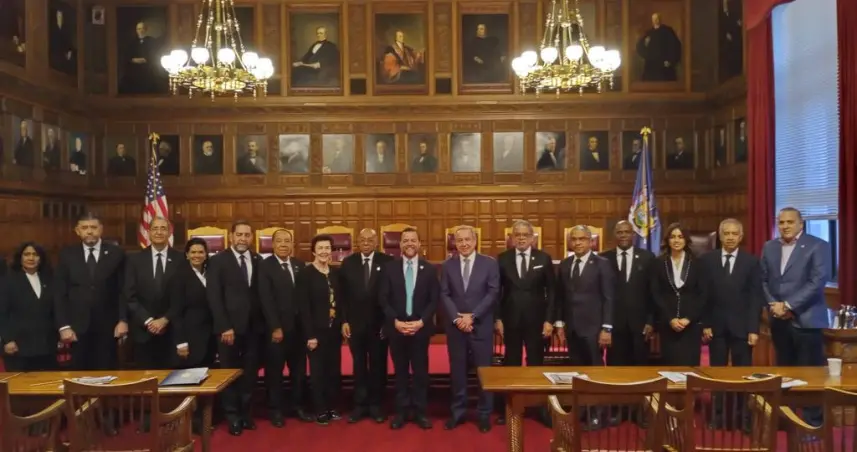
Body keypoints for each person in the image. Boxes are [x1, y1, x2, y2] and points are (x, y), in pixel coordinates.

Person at [761, 207, 830, 425]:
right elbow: (763, 280)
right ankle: (786, 419)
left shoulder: (818, 245)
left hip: (807, 319)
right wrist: (774, 305)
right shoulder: (769, 246)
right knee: (784, 371)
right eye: (781, 222)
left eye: (790, 222)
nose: (785, 226)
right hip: (778, 320)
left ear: (801, 223)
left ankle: (812, 423)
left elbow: (817, 282)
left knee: (810, 373)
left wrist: (789, 306)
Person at [701, 218, 763, 430]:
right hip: (715, 327)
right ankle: (717, 416)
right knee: (717, 374)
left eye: (734, 234)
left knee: (743, 375)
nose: (730, 237)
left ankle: (743, 417)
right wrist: (705, 323)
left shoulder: (751, 262)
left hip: (742, 329)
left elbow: (755, 297)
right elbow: (704, 295)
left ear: (741, 237)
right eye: (726, 233)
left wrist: (753, 328)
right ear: (720, 236)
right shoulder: (707, 260)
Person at [494, 220, 555, 426]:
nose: (521, 238)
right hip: (510, 319)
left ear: (532, 238)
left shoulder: (543, 258)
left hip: (536, 320)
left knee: (536, 362)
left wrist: (549, 320)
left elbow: (552, 292)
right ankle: (510, 407)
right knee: (511, 362)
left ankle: (540, 408)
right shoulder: (503, 259)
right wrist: (498, 318)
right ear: (511, 238)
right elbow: (497, 292)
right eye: (517, 235)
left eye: (525, 235)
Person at [440, 225, 500, 433]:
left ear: (475, 241)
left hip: (480, 326)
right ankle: (458, 412)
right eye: (460, 240)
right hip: (456, 327)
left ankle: (484, 414)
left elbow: (493, 293)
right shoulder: (448, 265)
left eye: (468, 240)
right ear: (455, 243)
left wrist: (473, 316)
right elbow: (444, 294)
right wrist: (457, 318)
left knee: (484, 372)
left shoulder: (489, 264)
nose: (464, 244)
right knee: (458, 372)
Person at [207, 220, 263, 436]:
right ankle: (232, 416)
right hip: (228, 330)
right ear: (231, 236)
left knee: (250, 374)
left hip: (253, 328)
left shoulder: (258, 260)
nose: (243, 239)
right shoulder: (218, 261)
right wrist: (224, 326)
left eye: (247, 235)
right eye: (239, 234)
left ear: (252, 237)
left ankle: (246, 414)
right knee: (229, 373)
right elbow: (214, 296)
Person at [378, 227, 437, 430]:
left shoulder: (429, 269)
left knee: (420, 372)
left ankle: (420, 412)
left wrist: (421, 322)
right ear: (400, 244)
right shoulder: (389, 268)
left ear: (419, 244)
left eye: (413, 240)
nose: (409, 243)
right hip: (397, 328)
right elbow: (383, 298)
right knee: (401, 372)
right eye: (405, 240)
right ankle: (401, 412)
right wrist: (395, 321)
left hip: (420, 329)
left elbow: (433, 300)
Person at [54, 212, 127, 371]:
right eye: (85, 227)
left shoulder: (116, 253)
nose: (89, 231)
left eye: (93, 227)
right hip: (77, 326)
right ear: (77, 230)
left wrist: (123, 320)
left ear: (101, 229)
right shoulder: (67, 254)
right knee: (80, 373)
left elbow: (123, 290)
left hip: (108, 326)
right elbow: (60, 293)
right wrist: (64, 326)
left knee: (108, 371)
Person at [258, 229, 313, 427]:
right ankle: (275, 410)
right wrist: (275, 327)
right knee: (275, 372)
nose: (283, 244)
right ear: (273, 244)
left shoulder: (299, 265)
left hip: (298, 330)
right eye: (279, 241)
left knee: (298, 371)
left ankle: (297, 406)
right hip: (277, 330)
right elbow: (265, 299)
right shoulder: (265, 266)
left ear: (292, 244)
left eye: (287, 241)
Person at [340, 228, 392, 423]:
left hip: (379, 325)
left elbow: (392, 294)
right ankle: (360, 405)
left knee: (378, 365)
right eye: (362, 239)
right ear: (357, 242)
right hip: (355, 325)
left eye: (370, 239)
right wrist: (344, 320)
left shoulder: (387, 262)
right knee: (359, 365)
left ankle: (376, 405)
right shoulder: (348, 263)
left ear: (376, 242)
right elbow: (342, 295)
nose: (366, 242)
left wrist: (388, 322)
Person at [123, 217, 184, 369]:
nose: (159, 232)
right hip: (143, 332)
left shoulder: (181, 259)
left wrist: (165, 319)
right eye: (155, 228)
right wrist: (149, 321)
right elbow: (130, 296)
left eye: (163, 228)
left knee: (172, 378)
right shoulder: (134, 260)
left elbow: (184, 295)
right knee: (146, 378)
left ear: (169, 232)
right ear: (148, 232)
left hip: (172, 331)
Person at [168, 238, 215, 434]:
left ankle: (205, 419)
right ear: (186, 254)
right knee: (191, 380)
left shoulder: (211, 272)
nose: (197, 255)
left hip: (210, 335)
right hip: (190, 335)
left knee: (207, 378)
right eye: (193, 252)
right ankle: (190, 422)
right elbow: (176, 312)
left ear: (206, 254)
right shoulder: (179, 276)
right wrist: (181, 342)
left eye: (201, 252)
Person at [297, 234, 343, 425]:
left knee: (333, 371)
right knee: (318, 372)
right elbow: (303, 308)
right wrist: (310, 335)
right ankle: (320, 409)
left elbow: (340, 302)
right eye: (321, 248)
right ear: (314, 251)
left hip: (334, 331)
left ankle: (332, 407)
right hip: (315, 333)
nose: (324, 251)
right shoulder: (305, 274)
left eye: (327, 248)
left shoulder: (335, 273)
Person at [650, 222, 706, 365]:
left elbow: (702, 294)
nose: (676, 240)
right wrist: (670, 319)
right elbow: (655, 293)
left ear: (686, 240)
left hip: (691, 325)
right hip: (668, 323)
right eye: (673, 237)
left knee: (690, 365)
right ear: (667, 240)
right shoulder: (658, 263)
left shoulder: (697, 263)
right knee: (670, 365)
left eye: (680, 237)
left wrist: (688, 318)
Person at [602, 220, 655, 367]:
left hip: (640, 325)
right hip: (614, 325)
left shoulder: (647, 257)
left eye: (627, 232)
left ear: (633, 235)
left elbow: (652, 292)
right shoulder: (604, 259)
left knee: (640, 367)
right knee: (615, 368)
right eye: (620, 232)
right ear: (615, 235)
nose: (623, 235)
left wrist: (650, 321)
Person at [0, 242, 58, 371]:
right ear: (20, 257)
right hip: (18, 346)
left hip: (46, 345)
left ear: (41, 258)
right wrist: (7, 340)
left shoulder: (49, 278)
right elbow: (2, 313)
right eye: (26, 254)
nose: (31, 258)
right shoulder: (7, 280)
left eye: (35, 254)